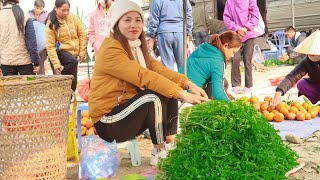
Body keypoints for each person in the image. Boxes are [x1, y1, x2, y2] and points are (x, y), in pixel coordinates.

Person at [89, 0, 209, 166]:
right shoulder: (111, 49)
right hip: (108, 121)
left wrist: (188, 84)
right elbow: (143, 75)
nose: (134, 25)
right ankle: (158, 151)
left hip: (127, 114)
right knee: (152, 96)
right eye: (127, 20)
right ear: (116, 24)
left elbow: (159, 70)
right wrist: (182, 94)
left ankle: (169, 142)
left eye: (138, 20)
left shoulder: (136, 47)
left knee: (167, 88)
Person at [178, 31, 242, 101]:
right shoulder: (218, 61)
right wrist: (231, 106)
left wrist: (227, 92)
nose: (233, 56)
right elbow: (218, 94)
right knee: (223, 83)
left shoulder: (204, 47)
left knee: (222, 81)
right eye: (233, 52)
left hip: (177, 85)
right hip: (190, 93)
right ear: (226, 46)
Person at [270, 29, 320, 107]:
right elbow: (292, 76)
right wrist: (278, 92)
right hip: (317, 85)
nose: (311, 54)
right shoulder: (307, 61)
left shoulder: (300, 38)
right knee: (302, 84)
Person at [45, 0, 87, 91]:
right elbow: (50, 46)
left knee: (73, 83)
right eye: (63, 10)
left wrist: (82, 52)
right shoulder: (51, 23)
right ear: (56, 9)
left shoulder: (73, 17)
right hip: (61, 52)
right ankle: (61, 80)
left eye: (68, 10)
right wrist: (56, 64)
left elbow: (82, 34)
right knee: (72, 62)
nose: (66, 13)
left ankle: (67, 103)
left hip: (73, 54)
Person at [223, 0, 260, 94]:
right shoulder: (230, 1)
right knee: (234, 59)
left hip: (249, 34)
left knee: (247, 60)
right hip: (235, 35)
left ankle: (249, 85)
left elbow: (255, 15)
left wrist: (246, 27)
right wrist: (237, 28)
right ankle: (235, 85)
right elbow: (227, 19)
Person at [148, 0, 193, 70]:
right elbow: (189, 18)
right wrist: (188, 34)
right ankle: (183, 79)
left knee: (167, 63)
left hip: (164, 33)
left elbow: (154, 19)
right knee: (183, 63)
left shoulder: (158, 1)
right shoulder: (184, 1)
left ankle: (170, 80)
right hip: (180, 32)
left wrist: (151, 37)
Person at [0, 0, 40, 76]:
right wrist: (36, 62)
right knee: (29, 87)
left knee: (11, 87)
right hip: (25, 63)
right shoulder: (25, 16)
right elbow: (31, 43)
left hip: (6, 63)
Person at [28, 0, 49, 75]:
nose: (39, 10)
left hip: (43, 44)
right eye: (37, 8)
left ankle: (42, 84)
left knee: (40, 66)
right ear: (34, 6)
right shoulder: (28, 15)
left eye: (41, 9)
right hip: (32, 44)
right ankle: (32, 83)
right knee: (31, 68)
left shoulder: (46, 15)